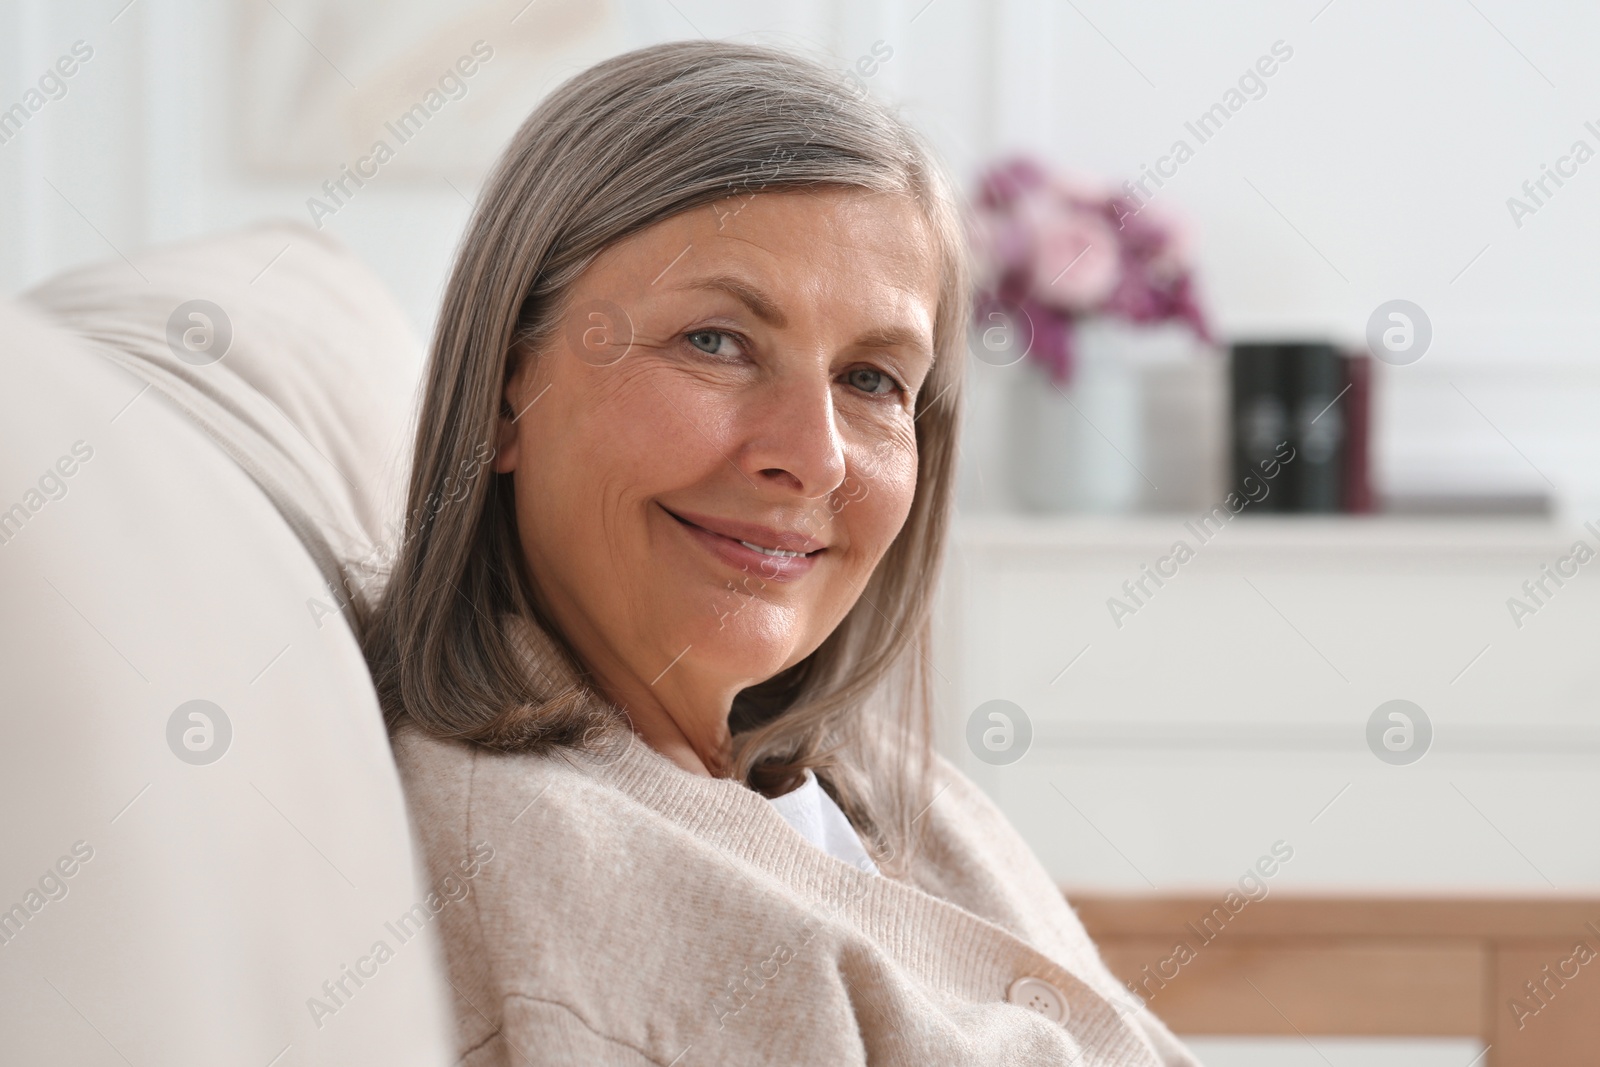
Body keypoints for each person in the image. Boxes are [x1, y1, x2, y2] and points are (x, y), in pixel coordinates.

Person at [362, 39, 1200, 1066]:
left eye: (872, 379)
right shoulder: (563, 910)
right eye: (714, 340)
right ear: (504, 388)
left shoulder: (867, 775)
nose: (813, 458)